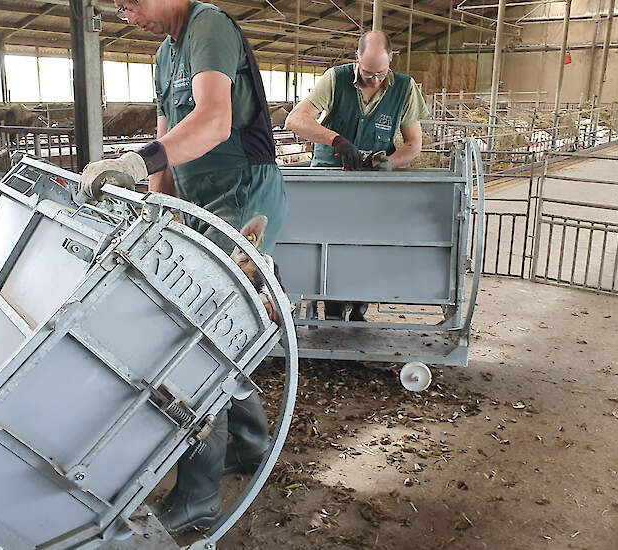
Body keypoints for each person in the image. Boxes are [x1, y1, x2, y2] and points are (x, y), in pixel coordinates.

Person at [79, 0, 287, 534]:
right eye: (119, 9)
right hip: (198, 200)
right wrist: (154, 214)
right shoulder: (163, 55)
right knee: (221, 332)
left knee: (195, 344)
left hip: (242, 197)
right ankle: (248, 445)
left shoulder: (208, 27)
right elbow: (168, 144)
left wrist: (131, 162)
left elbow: (214, 121)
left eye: (131, 3)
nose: (128, 15)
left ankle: (198, 496)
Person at [285, 30, 429, 321]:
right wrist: (337, 140)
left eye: (380, 73)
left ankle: (360, 304)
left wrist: (388, 163)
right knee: (326, 243)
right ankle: (331, 303)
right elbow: (295, 120)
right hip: (329, 180)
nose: (374, 80)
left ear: (391, 61)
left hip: (372, 186)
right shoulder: (335, 79)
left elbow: (414, 144)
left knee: (367, 244)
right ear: (356, 58)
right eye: (366, 72)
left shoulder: (404, 87)